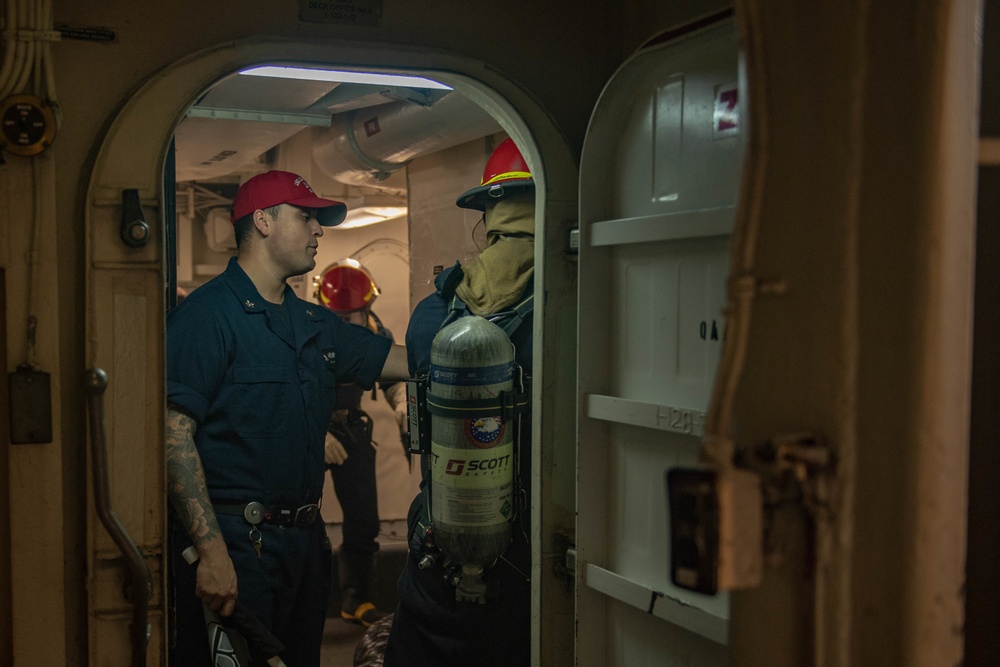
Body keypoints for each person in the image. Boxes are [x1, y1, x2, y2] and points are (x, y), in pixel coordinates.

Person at [165, 169, 408, 666]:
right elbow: (172, 437)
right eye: (306, 216)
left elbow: (401, 361)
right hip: (239, 549)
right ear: (263, 222)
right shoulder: (208, 317)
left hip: (304, 547)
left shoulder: (313, 323)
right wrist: (211, 553)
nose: (319, 230)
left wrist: (473, 333)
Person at [383, 138, 536, 667]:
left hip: (435, 548)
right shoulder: (575, 312)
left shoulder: (432, 312)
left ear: (488, 215)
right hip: (526, 565)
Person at [314, 258, 409, 627]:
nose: (345, 324)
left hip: (351, 428)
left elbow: (391, 377)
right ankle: (302, 603)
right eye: (338, 317)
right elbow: (287, 391)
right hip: (310, 430)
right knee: (298, 517)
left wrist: (402, 401)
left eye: (352, 316)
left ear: (367, 307)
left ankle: (355, 599)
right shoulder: (304, 334)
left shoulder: (376, 333)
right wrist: (313, 434)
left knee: (364, 520)